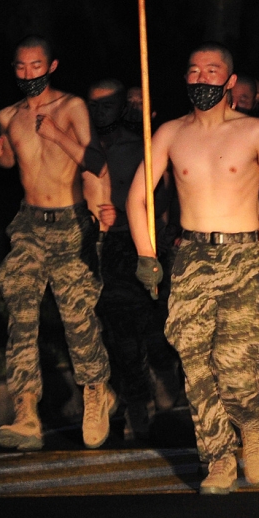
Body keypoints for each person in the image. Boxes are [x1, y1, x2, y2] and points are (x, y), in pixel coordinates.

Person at [127, 43, 259, 494]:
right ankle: (217, 458)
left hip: (243, 258)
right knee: (195, 362)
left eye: (212, 71)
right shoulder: (170, 133)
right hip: (191, 257)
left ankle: (252, 423)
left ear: (230, 82)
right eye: (194, 71)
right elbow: (137, 197)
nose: (202, 79)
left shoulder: (252, 131)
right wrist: (146, 254)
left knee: (234, 365)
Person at [0, 38, 116, 452]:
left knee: (78, 317)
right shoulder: (8, 115)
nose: (29, 74)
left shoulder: (72, 107)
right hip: (28, 223)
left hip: (70, 221)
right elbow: (15, 161)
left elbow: (95, 160)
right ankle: (26, 413)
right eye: (21, 67)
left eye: (36, 65)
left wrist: (58, 135)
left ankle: (96, 390)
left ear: (52, 65)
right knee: (21, 311)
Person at [86, 78, 178, 441]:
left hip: (157, 243)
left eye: (143, 105)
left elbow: (170, 195)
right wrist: (104, 215)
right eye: (131, 104)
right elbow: (94, 177)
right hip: (119, 244)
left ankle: (165, 373)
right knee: (122, 331)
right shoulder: (110, 145)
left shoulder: (163, 144)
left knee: (156, 325)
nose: (136, 111)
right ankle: (137, 403)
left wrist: (170, 233)